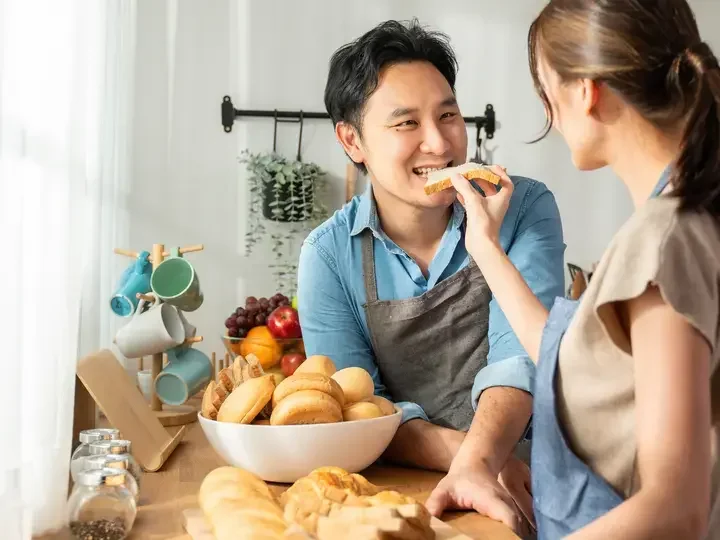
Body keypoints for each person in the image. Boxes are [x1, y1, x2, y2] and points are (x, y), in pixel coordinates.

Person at [426, 0, 720, 538]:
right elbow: (581, 368)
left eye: (546, 93)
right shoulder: (683, 216)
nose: (549, 118)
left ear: (587, 91)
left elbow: (677, 505)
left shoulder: (664, 240)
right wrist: (485, 244)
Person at [296, 19, 565, 534]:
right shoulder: (327, 256)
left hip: (536, 480)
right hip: (413, 491)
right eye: (406, 124)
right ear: (352, 140)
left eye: (448, 115)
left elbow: (521, 358)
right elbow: (358, 411)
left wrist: (482, 463)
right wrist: (474, 462)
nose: (439, 143)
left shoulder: (524, 207)